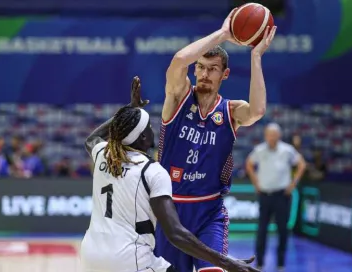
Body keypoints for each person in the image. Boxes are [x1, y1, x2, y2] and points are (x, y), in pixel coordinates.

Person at [80, 77, 259, 272]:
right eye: (148, 127)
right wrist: (227, 262)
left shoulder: (103, 154)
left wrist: (130, 110)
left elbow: (92, 138)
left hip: (90, 255)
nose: (152, 130)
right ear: (142, 138)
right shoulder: (152, 170)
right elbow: (175, 234)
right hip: (129, 258)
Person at [155, 8, 277, 272]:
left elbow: (257, 111)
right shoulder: (178, 98)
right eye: (200, 67)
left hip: (210, 212)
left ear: (225, 75)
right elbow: (178, 61)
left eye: (212, 69)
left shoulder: (231, 111)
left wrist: (256, 56)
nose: (204, 74)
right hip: (171, 211)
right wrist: (223, 34)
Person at [245, 123, 306, 271]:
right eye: (269, 134)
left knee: (283, 231)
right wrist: (256, 183)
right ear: (265, 135)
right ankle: (259, 264)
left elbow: (302, 164)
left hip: (282, 196)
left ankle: (280, 265)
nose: (272, 137)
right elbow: (249, 164)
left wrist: (293, 183)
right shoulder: (259, 150)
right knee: (261, 230)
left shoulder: (287, 150)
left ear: (279, 135)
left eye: (274, 134)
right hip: (265, 195)